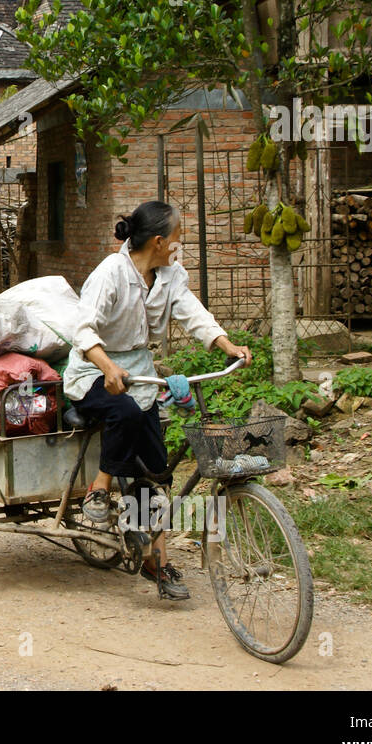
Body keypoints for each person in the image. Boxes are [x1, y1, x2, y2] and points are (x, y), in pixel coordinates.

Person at [65, 201, 251, 600]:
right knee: (126, 412)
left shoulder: (169, 275)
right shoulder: (110, 274)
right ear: (158, 241)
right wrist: (108, 367)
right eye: (177, 237)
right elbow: (81, 330)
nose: (179, 245)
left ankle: (156, 561)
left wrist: (226, 344)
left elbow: (192, 313)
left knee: (156, 471)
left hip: (142, 374)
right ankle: (99, 489)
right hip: (94, 370)